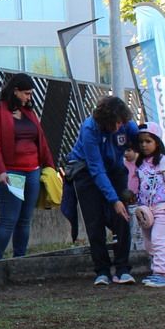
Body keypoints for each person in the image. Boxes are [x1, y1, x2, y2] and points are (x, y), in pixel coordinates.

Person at [61, 95, 139, 286]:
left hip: (115, 170)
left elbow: (141, 141)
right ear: (106, 121)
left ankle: (122, 269)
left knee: (122, 217)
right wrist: (114, 200)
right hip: (87, 171)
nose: (120, 126)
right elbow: (96, 169)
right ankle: (102, 270)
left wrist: (136, 151)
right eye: (117, 122)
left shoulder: (127, 125)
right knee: (94, 220)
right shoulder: (90, 129)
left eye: (123, 122)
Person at [0, 73, 54, 261]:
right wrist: (1, 170)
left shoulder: (29, 113)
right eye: (26, 94)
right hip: (10, 171)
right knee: (9, 218)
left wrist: (50, 167)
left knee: (25, 219)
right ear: (15, 91)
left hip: (32, 170)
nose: (29, 98)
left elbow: (41, 141)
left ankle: (19, 260)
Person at [130, 122, 165, 287]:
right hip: (145, 210)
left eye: (148, 141)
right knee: (148, 242)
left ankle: (161, 274)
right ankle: (155, 270)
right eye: (141, 142)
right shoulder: (139, 162)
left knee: (158, 240)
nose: (144, 145)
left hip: (162, 208)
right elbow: (134, 184)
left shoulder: (163, 161)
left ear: (157, 142)